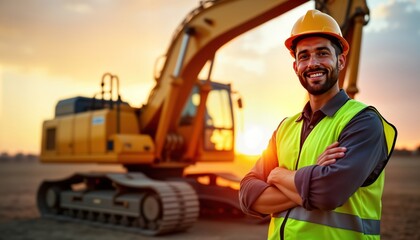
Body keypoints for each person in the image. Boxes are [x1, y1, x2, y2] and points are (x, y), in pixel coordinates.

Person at [239, 9, 397, 240]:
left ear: (340, 60)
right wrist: (315, 174)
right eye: (303, 56)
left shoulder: (362, 121)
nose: (312, 63)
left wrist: (278, 175)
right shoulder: (286, 127)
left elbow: (328, 194)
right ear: (296, 67)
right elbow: (247, 195)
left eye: (322, 53)